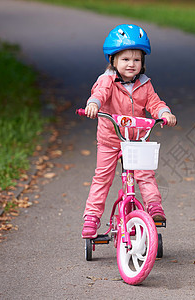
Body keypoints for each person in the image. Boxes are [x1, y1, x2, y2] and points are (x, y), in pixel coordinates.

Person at [81, 24, 177, 239]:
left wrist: (165, 113)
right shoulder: (107, 81)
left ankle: (154, 208)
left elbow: (154, 102)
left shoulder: (145, 84)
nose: (131, 64)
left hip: (137, 140)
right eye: (125, 59)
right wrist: (94, 104)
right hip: (110, 139)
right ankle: (92, 217)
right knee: (102, 177)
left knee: (145, 174)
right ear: (113, 61)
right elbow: (99, 94)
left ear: (143, 62)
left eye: (136, 59)